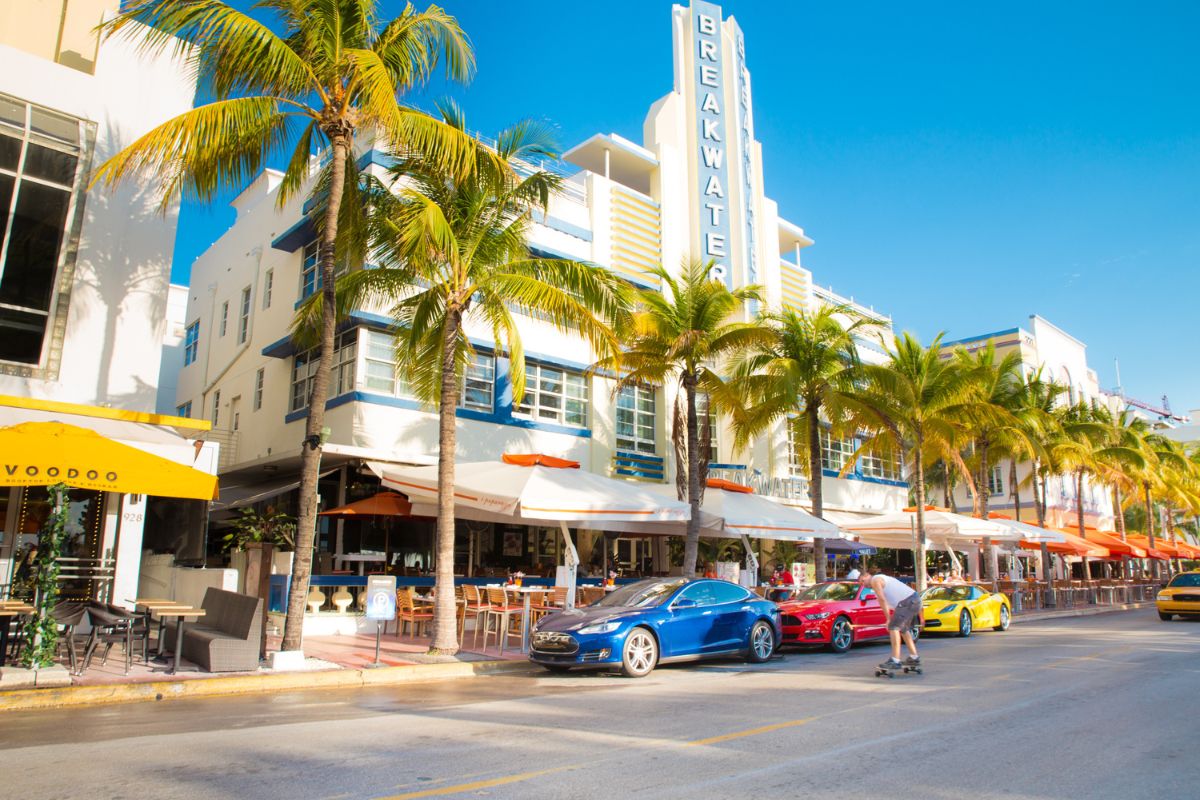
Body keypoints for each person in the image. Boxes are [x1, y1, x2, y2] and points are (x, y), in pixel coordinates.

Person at [849, 567, 920, 672]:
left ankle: (895, 660)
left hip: (907, 602)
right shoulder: (881, 579)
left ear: (867, 575)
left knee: (893, 627)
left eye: (862, 581)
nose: (863, 585)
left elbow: (882, 600)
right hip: (914, 600)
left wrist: (888, 619)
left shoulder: (875, 580)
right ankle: (914, 657)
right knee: (903, 629)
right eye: (861, 584)